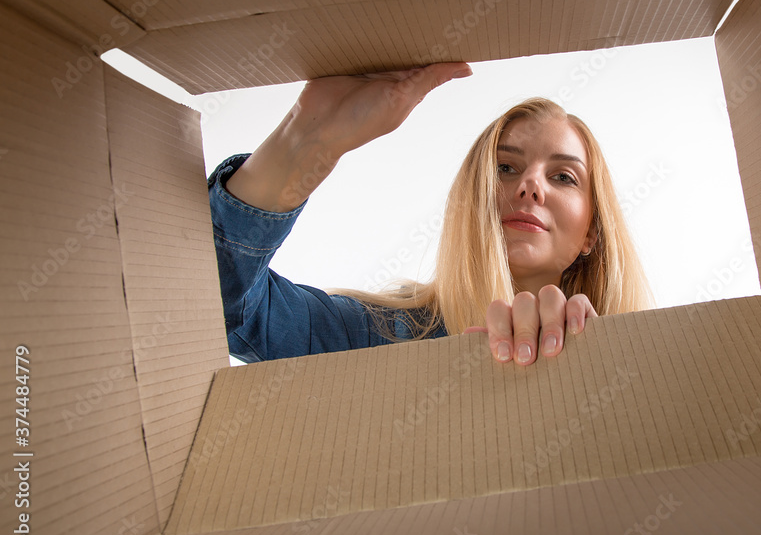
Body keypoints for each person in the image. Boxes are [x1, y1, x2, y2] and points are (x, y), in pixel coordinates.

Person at [208, 62, 652, 366]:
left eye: (564, 177)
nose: (530, 185)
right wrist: (307, 137)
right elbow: (223, 308)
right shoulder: (376, 337)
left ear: (592, 231)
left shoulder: (637, 363)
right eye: (505, 167)